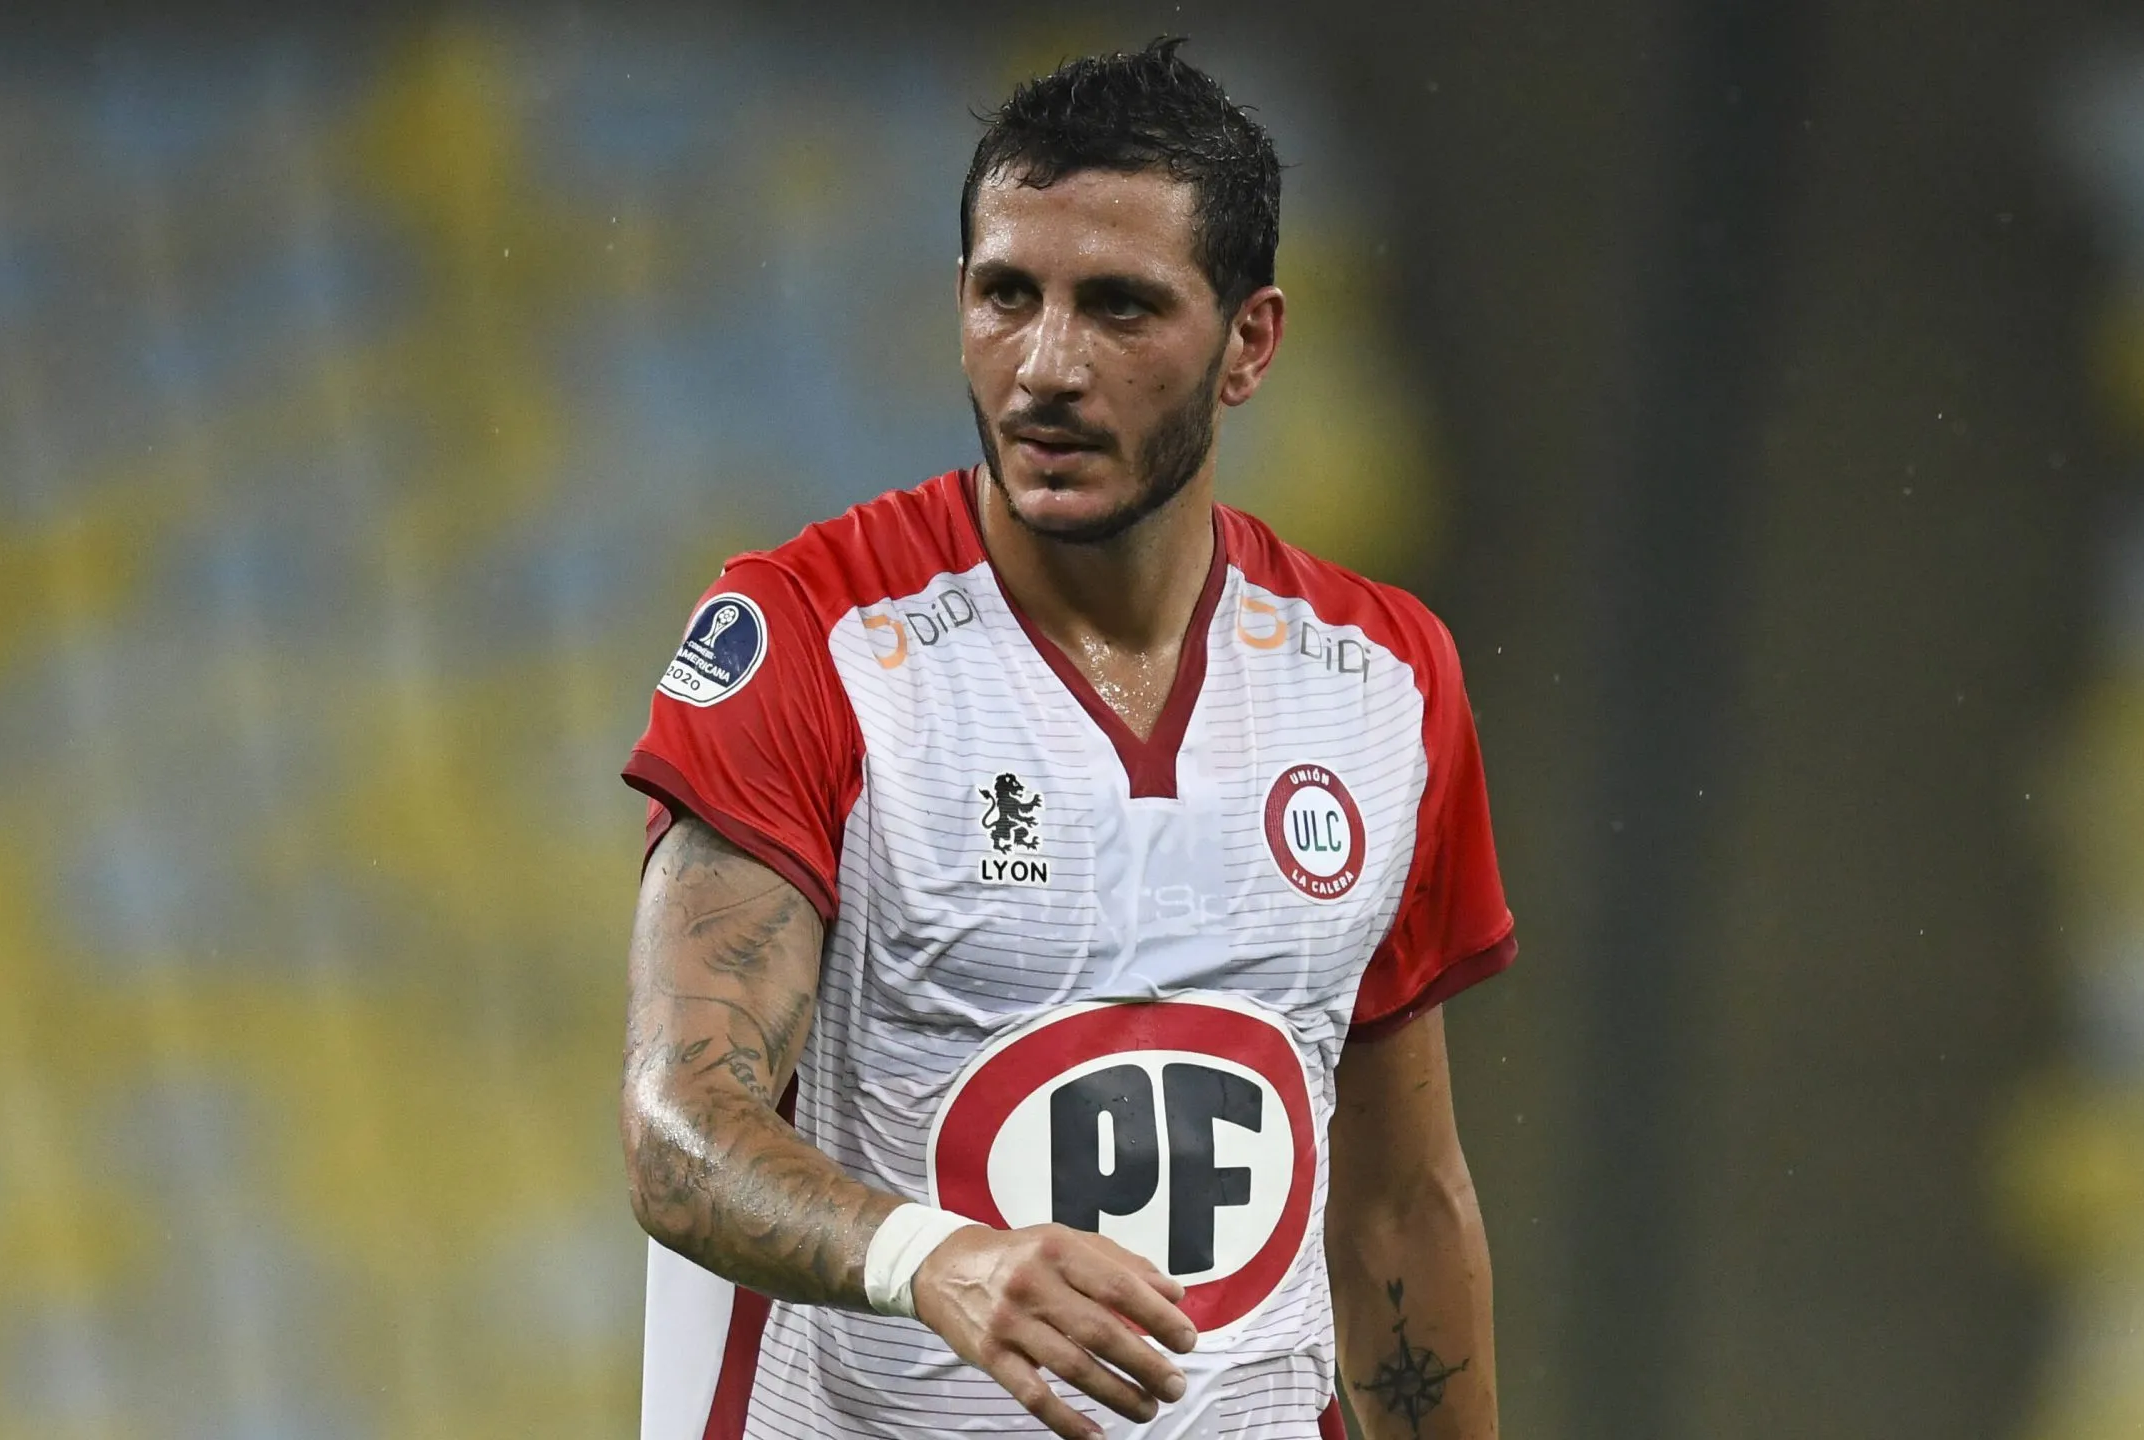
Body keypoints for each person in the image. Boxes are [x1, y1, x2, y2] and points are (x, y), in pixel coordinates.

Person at [621, 38, 1512, 1440]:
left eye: (1120, 308)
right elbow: (681, 1132)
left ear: (1251, 343)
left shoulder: (1384, 681)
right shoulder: (814, 640)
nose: (1045, 366)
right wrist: (936, 1259)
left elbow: (1402, 1205)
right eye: (1006, 295)